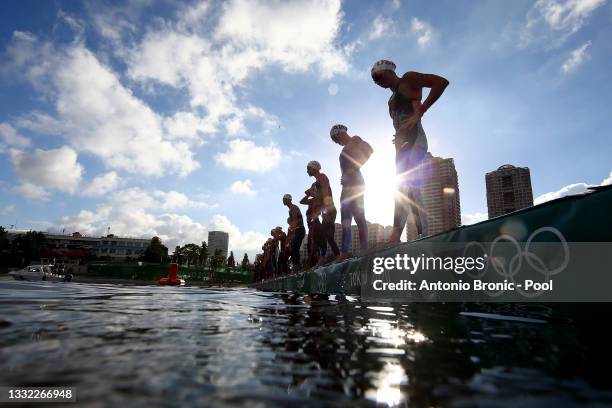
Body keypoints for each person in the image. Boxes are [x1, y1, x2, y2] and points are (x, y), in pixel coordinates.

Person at [371, 59, 449, 242]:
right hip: (401, 147)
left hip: (416, 140)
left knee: (407, 185)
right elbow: (399, 123)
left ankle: (415, 235)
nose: (378, 81)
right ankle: (402, 235)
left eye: (379, 76)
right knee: (401, 188)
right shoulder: (390, 100)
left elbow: (441, 83)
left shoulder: (408, 79)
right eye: (375, 80)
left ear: (390, 71)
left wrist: (421, 110)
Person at [329, 124, 373, 260]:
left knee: (359, 217)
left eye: (335, 139)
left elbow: (369, 150)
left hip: (356, 185)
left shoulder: (355, 139)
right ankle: (344, 252)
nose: (336, 142)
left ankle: (364, 248)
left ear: (340, 133)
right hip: (346, 188)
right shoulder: (344, 149)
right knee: (345, 220)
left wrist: (353, 170)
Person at [306, 160, 340, 263]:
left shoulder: (322, 177)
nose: (307, 171)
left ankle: (322, 259)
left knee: (323, 235)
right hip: (325, 210)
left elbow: (325, 195)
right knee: (328, 237)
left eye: (308, 168)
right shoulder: (315, 183)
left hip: (329, 209)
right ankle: (337, 256)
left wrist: (313, 194)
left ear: (315, 168)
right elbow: (316, 199)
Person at [283, 194, 305, 271]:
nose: (283, 200)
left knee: (295, 247)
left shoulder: (294, 208)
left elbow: (295, 221)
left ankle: (297, 266)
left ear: (289, 200)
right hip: (297, 230)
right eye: (283, 199)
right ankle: (296, 266)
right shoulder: (290, 209)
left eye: (285, 199)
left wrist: (292, 234)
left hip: (299, 230)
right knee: (293, 248)